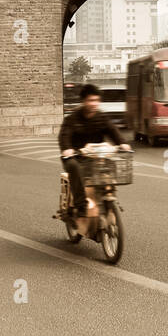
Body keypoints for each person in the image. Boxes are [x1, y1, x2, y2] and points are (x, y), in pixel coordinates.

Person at [58, 83, 131, 238]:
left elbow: (113, 131)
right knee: (73, 166)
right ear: (84, 101)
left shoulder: (101, 117)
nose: (94, 104)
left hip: (96, 156)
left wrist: (122, 143)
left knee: (111, 164)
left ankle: (108, 199)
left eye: (96, 100)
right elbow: (64, 136)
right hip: (76, 157)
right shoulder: (72, 119)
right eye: (91, 100)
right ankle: (81, 205)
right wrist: (67, 149)